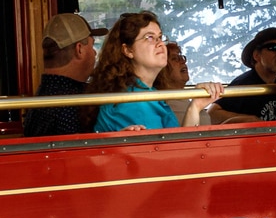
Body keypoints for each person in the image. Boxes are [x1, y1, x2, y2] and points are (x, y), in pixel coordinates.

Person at [87, 11, 223, 132]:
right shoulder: (133, 101)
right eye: (149, 38)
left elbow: (177, 146)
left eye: (159, 38)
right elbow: (169, 154)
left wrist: (196, 106)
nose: (160, 44)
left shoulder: (147, 93)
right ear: (128, 50)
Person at [23, 12, 97, 137]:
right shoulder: (72, 105)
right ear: (79, 49)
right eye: (92, 45)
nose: (95, 53)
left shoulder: (45, 94)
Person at [213, 27, 276, 123]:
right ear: (257, 55)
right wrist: (249, 120)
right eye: (274, 47)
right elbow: (212, 113)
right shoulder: (244, 83)